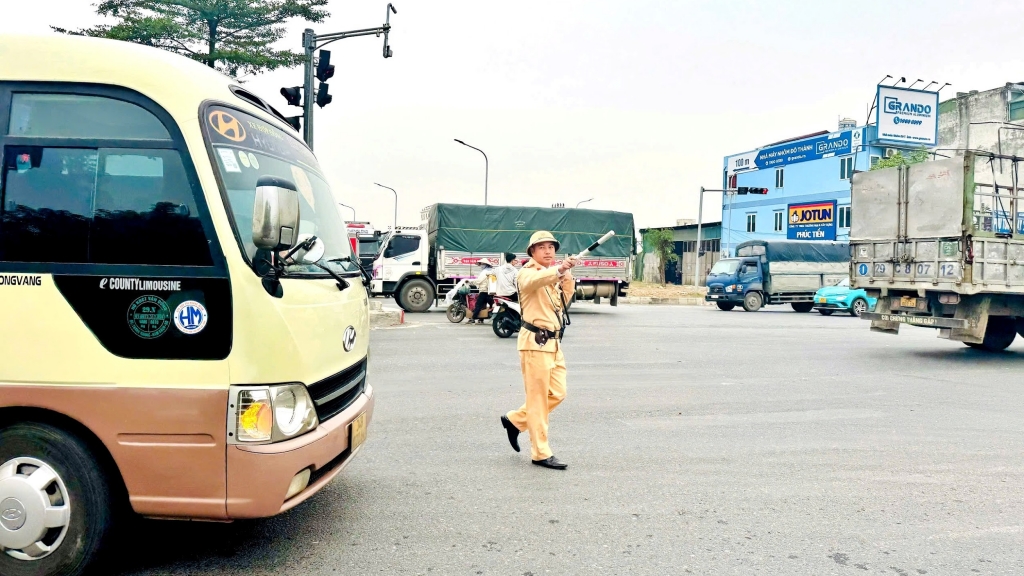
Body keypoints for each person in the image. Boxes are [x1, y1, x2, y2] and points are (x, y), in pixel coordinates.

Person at [499, 231, 576, 470]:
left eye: (551, 247)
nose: (548, 251)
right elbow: (532, 282)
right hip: (535, 343)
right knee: (538, 400)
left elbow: (562, 302)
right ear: (532, 251)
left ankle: (515, 420)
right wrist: (559, 270)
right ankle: (540, 453)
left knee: (558, 393)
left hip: (553, 344)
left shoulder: (551, 274)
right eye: (541, 247)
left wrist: (566, 276)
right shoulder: (527, 273)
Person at [469, 259, 496, 324]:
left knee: (478, 305)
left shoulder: (484, 272)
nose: (481, 265)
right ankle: (481, 319)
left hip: (484, 291)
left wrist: (471, 282)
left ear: (485, 265)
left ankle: (473, 318)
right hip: (491, 291)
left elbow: (479, 281)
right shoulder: (492, 271)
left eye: (482, 264)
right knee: (489, 305)